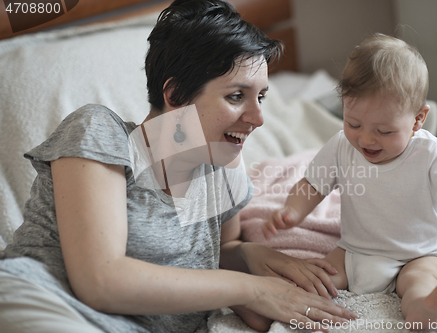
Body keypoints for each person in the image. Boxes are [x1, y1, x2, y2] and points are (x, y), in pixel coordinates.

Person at [0, 1, 358, 332]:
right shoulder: (100, 132)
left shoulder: (224, 163)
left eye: (261, 97)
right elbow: (101, 280)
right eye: (237, 96)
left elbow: (219, 253)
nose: (258, 118)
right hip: (43, 299)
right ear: (174, 95)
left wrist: (253, 256)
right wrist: (251, 289)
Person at [263, 33, 437, 330]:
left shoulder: (430, 152)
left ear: (418, 119)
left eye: (384, 131)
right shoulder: (341, 146)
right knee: (318, 279)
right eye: (353, 123)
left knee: (419, 282)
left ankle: (423, 310)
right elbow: (312, 185)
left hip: (419, 253)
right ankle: (282, 306)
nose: (365, 138)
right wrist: (293, 211)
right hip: (355, 250)